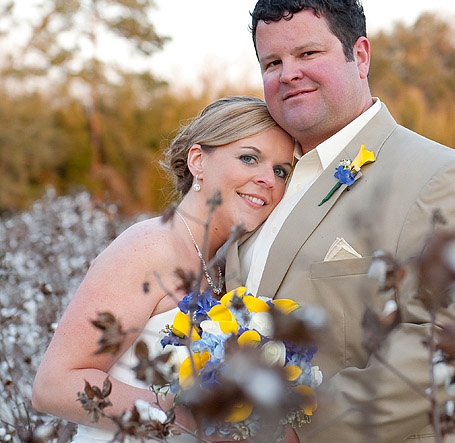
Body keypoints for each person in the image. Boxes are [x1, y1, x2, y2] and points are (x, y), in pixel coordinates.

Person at [224, 0, 455, 442]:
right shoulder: (261, 181)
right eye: (272, 62)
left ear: (361, 56)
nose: (288, 73)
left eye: (307, 54)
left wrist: (304, 429)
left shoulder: (441, 177)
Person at [33, 96, 294, 442]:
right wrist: (194, 421)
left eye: (281, 171)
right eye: (249, 158)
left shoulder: (230, 267)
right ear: (198, 161)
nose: (268, 180)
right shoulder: (151, 246)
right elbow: (54, 386)